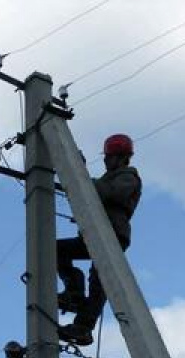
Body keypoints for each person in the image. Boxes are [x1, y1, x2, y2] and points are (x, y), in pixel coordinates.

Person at [57, 133, 142, 346]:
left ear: (121, 158)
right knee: (56, 249)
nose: (105, 160)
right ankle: (74, 291)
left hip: (112, 234)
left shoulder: (128, 177)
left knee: (99, 281)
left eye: (108, 157)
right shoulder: (109, 178)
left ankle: (83, 327)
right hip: (95, 234)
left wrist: (81, 174)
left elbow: (111, 194)